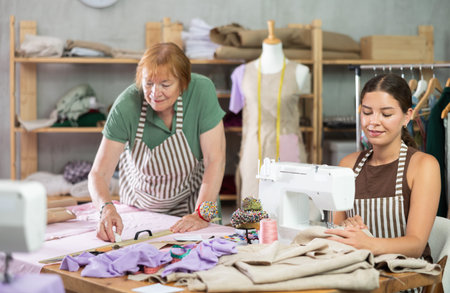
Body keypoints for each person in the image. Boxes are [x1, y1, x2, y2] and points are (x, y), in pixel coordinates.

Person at [88, 42, 226, 242]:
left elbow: (215, 160)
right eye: (148, 83)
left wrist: (201, 214)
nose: (155, 93)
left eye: (165, 84)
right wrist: (106, 209)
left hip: (193, 205)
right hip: (140, 209)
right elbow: (98, 174)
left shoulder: (201, 91)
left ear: (183, 84)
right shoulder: (125, 106)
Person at [326, 73, 440, 261]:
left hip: (407, 277)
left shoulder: (423, 166)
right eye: (367, 112)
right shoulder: (348, 165)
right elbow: (333, 234)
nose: (373, 122)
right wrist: (348, 228)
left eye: (386, 114)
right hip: (360, 268)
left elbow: (416, 245)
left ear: (407, 116)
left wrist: (367, 243)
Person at [229, 21, 310, 201]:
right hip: (253, 148)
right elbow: (236, 108)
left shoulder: (300, 71)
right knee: (252, 210)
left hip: (288, 146)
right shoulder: (241, 73)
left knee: (291, 207)